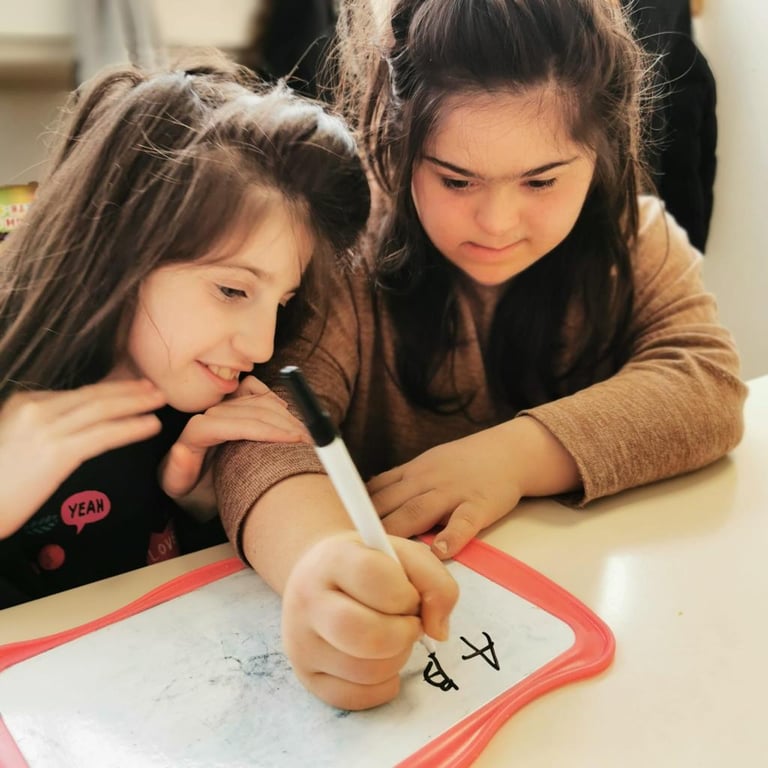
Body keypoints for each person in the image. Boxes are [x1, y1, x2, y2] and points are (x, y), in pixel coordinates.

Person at [214, 0, 746, 711]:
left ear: (601, 152)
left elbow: (707, 382)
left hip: (570, 668)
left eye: (541, 181)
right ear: (398, 144)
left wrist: (516, 457)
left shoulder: (635, 241)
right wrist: (317, 562)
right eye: (456, 180)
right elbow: (255, 438)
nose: (497, 223)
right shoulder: (343, 258)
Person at [0, 52, 371, 609]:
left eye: (282, 302)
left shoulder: (193, 415)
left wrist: (193, 506)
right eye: (232, 290)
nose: (260, 346)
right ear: (120, 247)